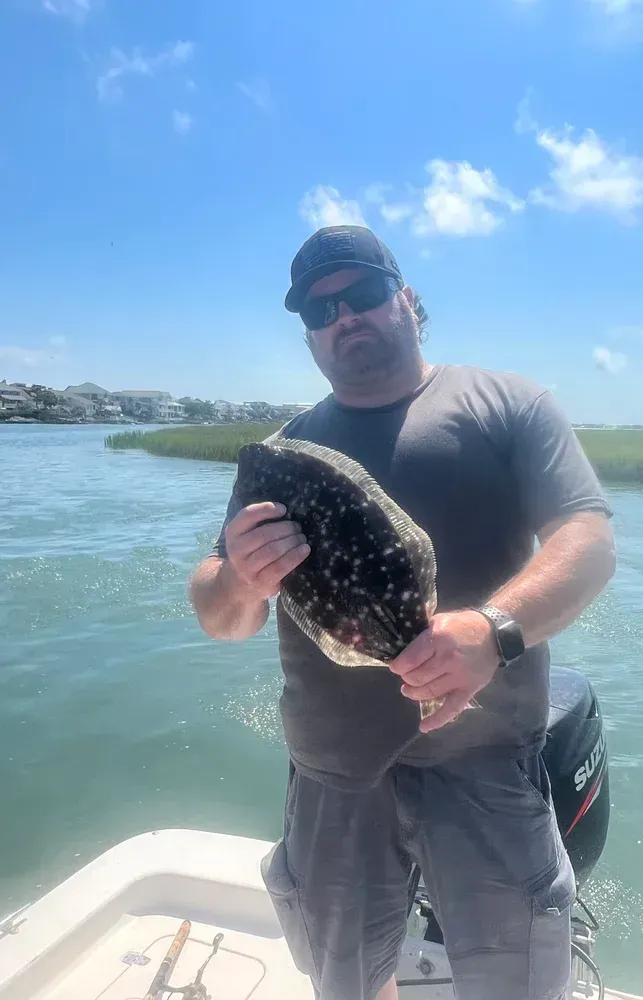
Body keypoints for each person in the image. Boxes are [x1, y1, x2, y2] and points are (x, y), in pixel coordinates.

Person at [189, 225, 616, 1000]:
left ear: (407, 299)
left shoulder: (507, 403)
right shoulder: (280, 455)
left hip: (485, 762)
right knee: (346, 981)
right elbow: (221, 614)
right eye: (320, 311)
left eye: (361, 295)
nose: (343, 317)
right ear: (309, 334)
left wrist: (493, 632)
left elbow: (589, 542)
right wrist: (241, 580)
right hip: (333, 773)